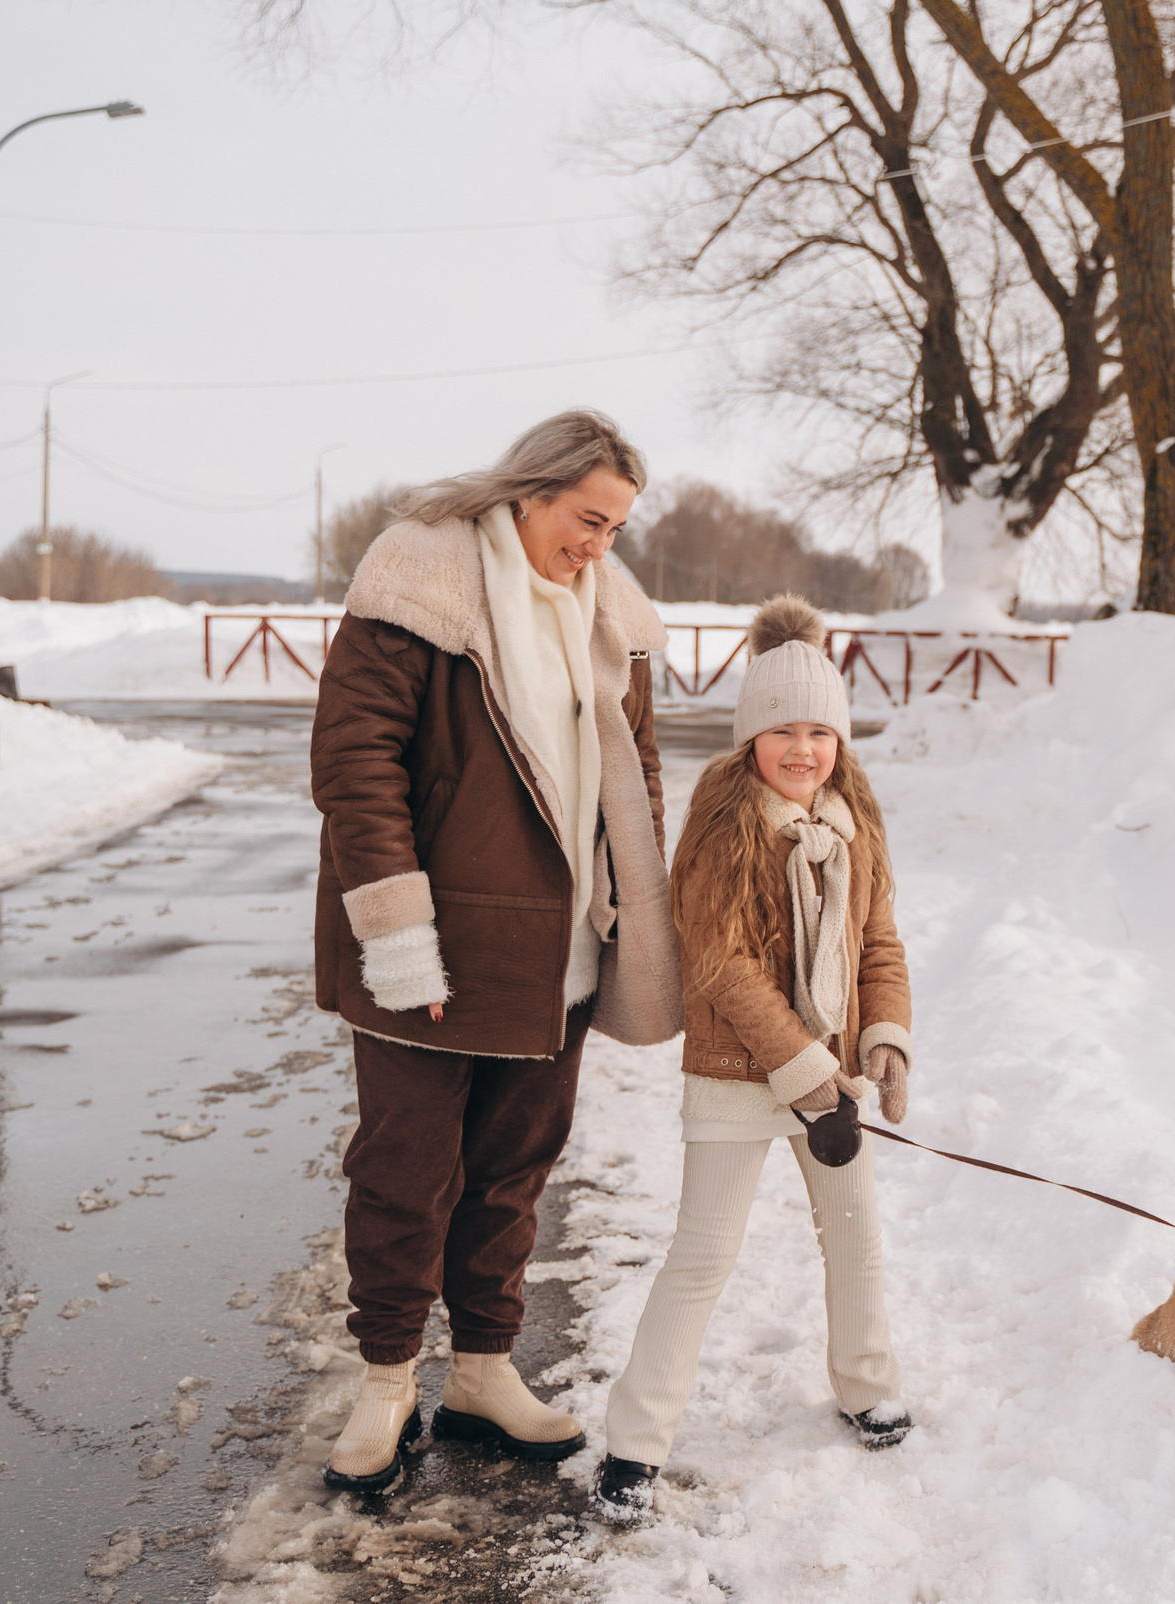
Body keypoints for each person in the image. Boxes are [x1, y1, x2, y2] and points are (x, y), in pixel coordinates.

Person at [309, 409, 681, 1495]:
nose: (598, 546)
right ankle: (384, 1385)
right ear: (531, 491)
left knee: (512, 1175)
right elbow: (356, 760)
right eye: (587, 519)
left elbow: (638, 776)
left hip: (553, 957)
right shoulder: (420, 585)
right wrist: (398, 938)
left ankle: (479, 1372)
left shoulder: (609, 614)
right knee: (404, 1175)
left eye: (616, 528)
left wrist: (632, 912)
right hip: (429, 953)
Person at [593, 594, 915, 1521]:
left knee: (855, 1239)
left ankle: (866, 1385)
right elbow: (723, 964)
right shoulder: (725, 821)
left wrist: (881, 1038)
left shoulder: (856, 820)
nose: (803, 749)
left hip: (834, 1077)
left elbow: (879, 942)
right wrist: (802, 1067)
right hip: (741, 1073)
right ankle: (635, 1441)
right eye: (783, 730)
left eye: (821, 730)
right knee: (703, 1253)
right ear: (751, 738)